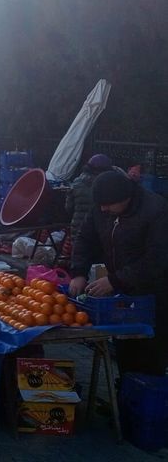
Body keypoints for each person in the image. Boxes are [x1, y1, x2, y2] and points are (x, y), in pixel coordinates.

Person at [69, 170, 168, 376]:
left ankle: (146, 398)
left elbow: (157, 259)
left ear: (126, 198)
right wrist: (79, 272)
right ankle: (125, 393)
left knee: (150, 354)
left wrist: (115, 280)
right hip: (123, 294)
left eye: (109, 204)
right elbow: (85, 239)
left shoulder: (156, 210)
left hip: (154, 294)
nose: (104, 209)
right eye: (101, 204)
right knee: (126, 349)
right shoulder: (102, 208)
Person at [65, 154, 113, 241]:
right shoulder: (108, 185)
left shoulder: (76, 183)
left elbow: (69, 208)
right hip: (100, 229)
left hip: (78, 228)